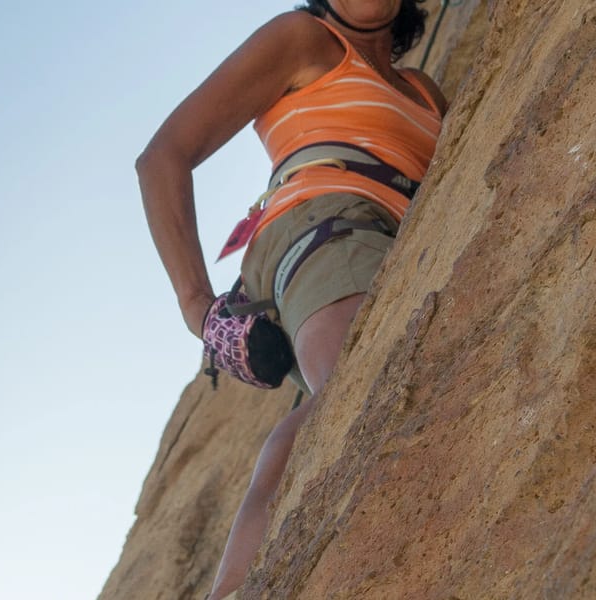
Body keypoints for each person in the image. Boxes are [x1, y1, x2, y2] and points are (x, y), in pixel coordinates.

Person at [136, 1, 448, 597]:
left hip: (394, 243)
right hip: (324, 226)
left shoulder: (426, 91)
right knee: (360, 383)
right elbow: (162, 158)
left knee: (348, 402)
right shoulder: (304, 39)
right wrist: (200, 311)